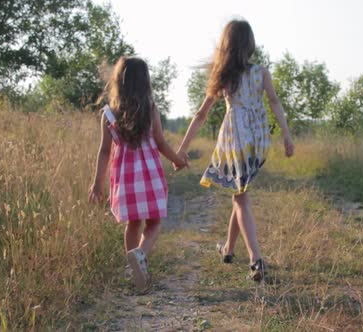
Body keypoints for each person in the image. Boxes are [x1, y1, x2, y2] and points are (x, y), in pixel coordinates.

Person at [175, 20, 294, 281]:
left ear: (226, 46)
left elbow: (201, 114)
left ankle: (256, 260)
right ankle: (228, 249)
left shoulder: (224, 75)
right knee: (239, 193)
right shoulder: (262, 72)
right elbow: (274, 103)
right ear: (250, 45)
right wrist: (286, 135)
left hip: (236, 139)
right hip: (258, 141)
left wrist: (181, 150)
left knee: (241, 198)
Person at [89, 56, 187, 290]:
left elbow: (104, 152)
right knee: (154, 222)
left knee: (133, 224)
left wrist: (97, 185)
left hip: (126, 178)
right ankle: (140, 255)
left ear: (118, 82)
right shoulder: (150, 108)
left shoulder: (109, 114)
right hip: (150, 174)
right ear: (145, 82)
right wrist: (178, 160)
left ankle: (134, 264)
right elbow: (161, 143)